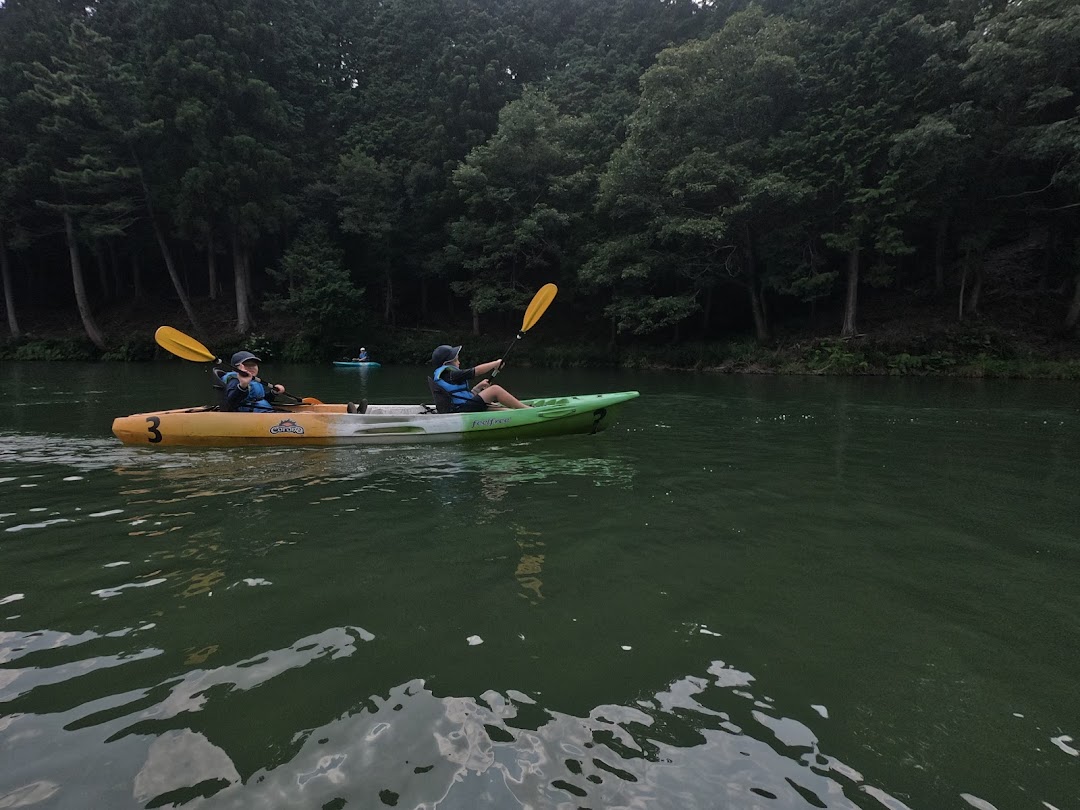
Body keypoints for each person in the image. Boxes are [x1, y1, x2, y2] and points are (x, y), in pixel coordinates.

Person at [430, 344, 530, 411]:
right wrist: (496, 363)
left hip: (462, 406)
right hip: (460, 409)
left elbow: (460, 396)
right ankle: (527, 410)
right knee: (495, 390)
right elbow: (476, 371)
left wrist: (477, 388)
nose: (459, 362)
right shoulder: (450, 374)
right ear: (447, 363)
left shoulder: (448, 375)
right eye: (456, 360)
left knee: (499, 408)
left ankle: (518, 409)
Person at [221, 351, 286, 412]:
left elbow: (260, 400)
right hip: (247, 417)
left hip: (263, 413)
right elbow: (228, 406)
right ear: (236, 369)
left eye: (253, 364)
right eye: (246, 365)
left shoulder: (254, 380)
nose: (251, 367)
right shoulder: (234, 381)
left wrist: (273, 393)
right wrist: (242, 386)